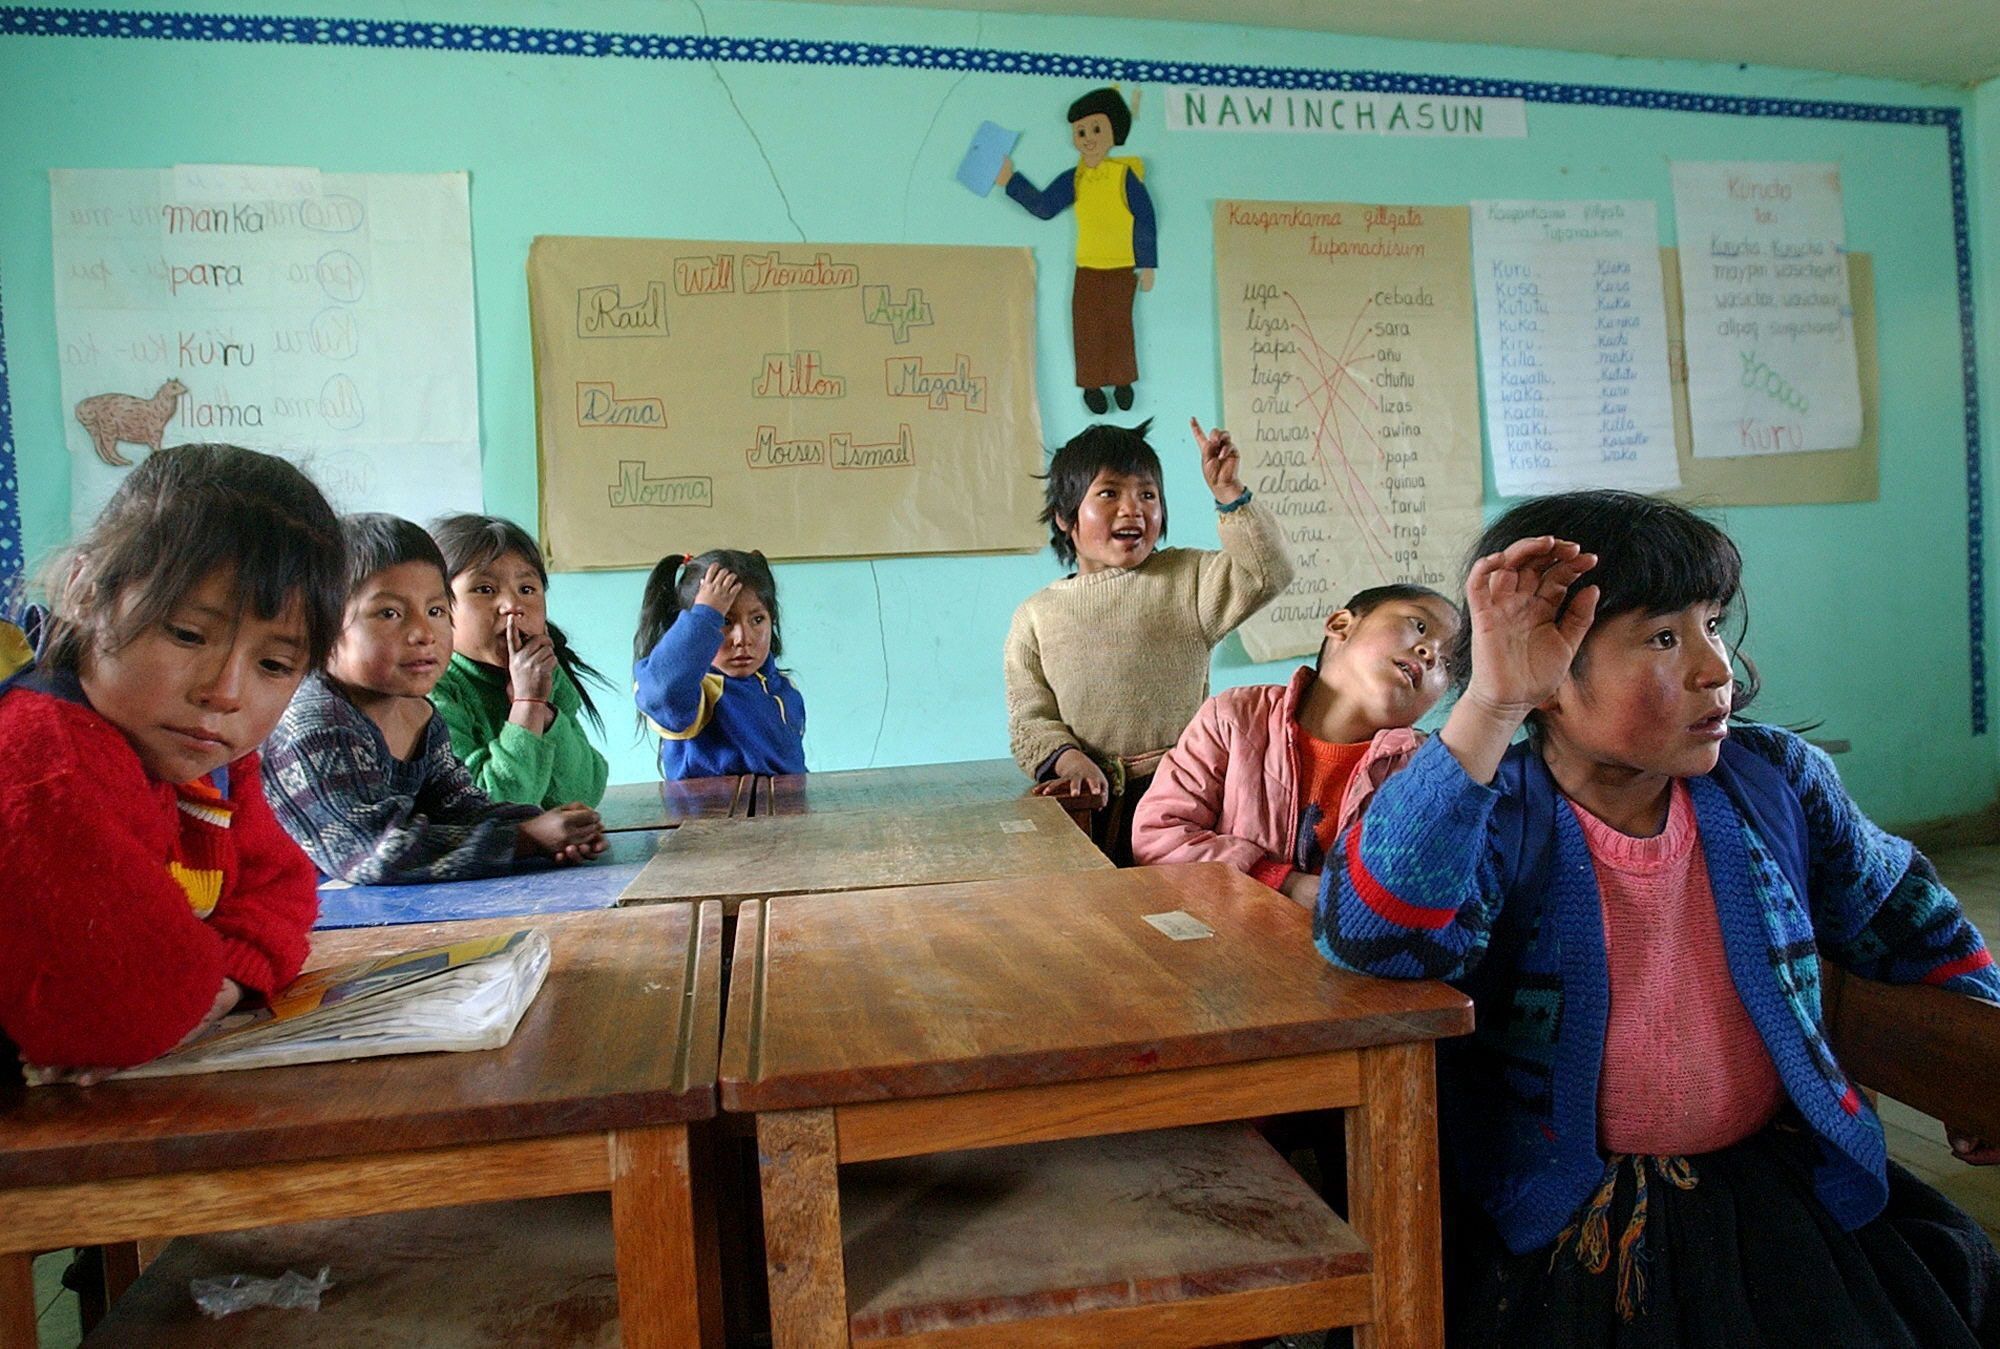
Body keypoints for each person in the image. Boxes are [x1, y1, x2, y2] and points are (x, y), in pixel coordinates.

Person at [1318, 489, 1999, 1343]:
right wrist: (1488, 706)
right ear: (1549, 674)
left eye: (1712, 622)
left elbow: (1907, 919)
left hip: (1775, 1197)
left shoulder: (1776, 782)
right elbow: (1375, 936)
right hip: (1568, 1224)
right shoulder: (1488, 811)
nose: (1714, 666)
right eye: (1665, 638)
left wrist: (1973, 1058)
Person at [0, 443, 344, 1080]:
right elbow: (122, 1007)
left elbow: (284, 889)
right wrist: (190, 979)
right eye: (187, 633)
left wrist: (231, 976)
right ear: (82, 590)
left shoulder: (200, 753)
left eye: (274, 664)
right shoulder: (44, 756)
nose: (225, 690)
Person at [1005, 416, 1292, 863]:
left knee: (1189, 916)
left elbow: (1268, 570)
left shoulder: (1188, 579)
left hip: (1188, 797)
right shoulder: (1036, 615)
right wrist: (1068, 761)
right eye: (1109, 493)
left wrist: (1230, 494)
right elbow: (1030, 717)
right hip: (1089, 803)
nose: (1132, 508)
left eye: (1147, 494)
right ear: (1065, 516)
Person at [264, 514, 605, 884]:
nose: (424, 633)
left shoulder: (417, 711)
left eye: (436, 611)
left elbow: (460, 806)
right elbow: (379, 852)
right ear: (324, 624)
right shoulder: (315, 722)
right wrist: (523, 838)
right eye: (390, 613)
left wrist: (543, 826)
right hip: (310, 923)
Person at [1131, 584, 1456, 907]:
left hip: (1335, 957)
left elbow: (1423, 889)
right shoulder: (1235, 718)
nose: (1430, 654)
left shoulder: (1422, 771)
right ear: (1341, 625)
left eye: (1448, 662)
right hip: (1217, 941)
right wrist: (1279, 881)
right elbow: (1158, 836)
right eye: (1420, 626)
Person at [428, 513, 609, 810]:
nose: (513, 606)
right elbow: (485, 809)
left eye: (527, 590)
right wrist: (526, 706)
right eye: (484, 589)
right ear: (438, 607)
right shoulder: (436, 688)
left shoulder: (545, 674)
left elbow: (584, 794)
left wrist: (545, 712)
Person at [998, 85, 1155, 414]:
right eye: (1081, 131)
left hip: (1122, 266)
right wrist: (1011, 181)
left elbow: (1144, 217)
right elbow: (1045, 206)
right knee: (1086, 324)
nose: (1088, 138)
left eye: (1096, 129)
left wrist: (1148, 264)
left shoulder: (1123, 176)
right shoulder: (1077, 178)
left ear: (1114, 133)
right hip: (1088, 267)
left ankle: (1123, 380)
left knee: (1119, 324)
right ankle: (1092, 384)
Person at [633, 548, 805, 778]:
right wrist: (705, 615)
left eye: (757, 619)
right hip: (712, 814)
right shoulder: (701, 693)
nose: (742, 639)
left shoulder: (784, 688)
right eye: (724, 620)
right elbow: (662, 693)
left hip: (784, 812)